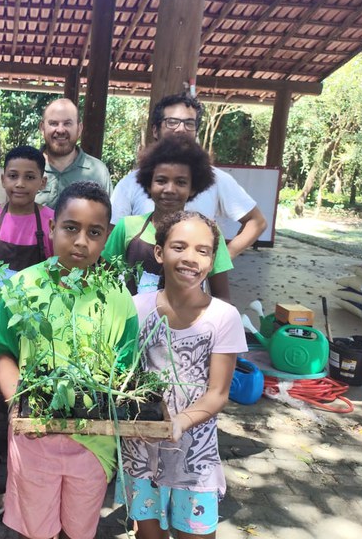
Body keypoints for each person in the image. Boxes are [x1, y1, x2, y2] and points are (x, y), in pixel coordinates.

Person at [0, 181, 139, 539]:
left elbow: (125, 368)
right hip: (35, 435)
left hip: (94, 439)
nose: (81, 241)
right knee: (34, 530)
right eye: (70, 228)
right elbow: (0, 349)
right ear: (52, 227)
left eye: (94, 232)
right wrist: (18, 402)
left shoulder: (118, 297)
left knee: (78, 529)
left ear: (107, 236)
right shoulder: (21, 288)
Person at [116, 210, 247, 539]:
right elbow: (124, 376)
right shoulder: (136, 308)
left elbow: (217, 393)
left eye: (202, 251)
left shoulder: (223, 317)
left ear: (212, 260)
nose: (190, 258)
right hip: (141, 452)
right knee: (148, 534)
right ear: (159, 253)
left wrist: (180, 422)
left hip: (194, 456)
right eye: (179, 247)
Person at [111, 93, 267, 258]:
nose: (181, 129)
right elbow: (112, 235)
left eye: (189, 123)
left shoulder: (217, 179)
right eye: (172, 122)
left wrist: (220, 258)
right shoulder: (130, 183)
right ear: (155, 130)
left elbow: (257, 222)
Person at [102, 135, 233, 300]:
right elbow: (104, 284)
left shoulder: (207, 233)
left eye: (181, 182)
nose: (170, 189)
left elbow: (222, 297)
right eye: (161, 181)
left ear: (193, 188)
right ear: (148, 185)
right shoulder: (127, 227)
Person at [0, 145, 54, 279]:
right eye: (13, 176)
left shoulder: (52, 221)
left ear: (42, 182)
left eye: (29, 177)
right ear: (3, 180)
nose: (20, 184)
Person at [34, 98, 113, 208]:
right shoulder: (27, 168)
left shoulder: (98, 171)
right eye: (53, 123)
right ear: (42, 128)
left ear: (79, 129)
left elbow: (107, 216)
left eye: (67, 123)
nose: (60, 130)